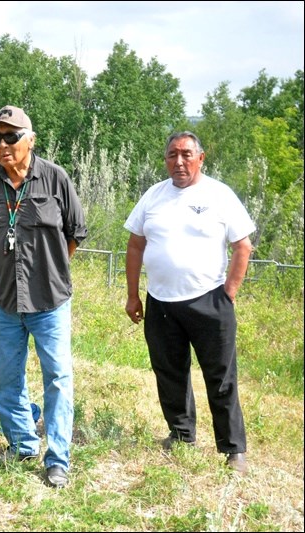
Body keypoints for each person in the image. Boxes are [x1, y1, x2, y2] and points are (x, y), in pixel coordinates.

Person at [124, 131, 254, 474]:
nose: (178, 162)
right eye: (172, 155)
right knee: (169, 372)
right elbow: (135, 245)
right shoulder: (154, 196)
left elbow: (243, 246)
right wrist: (133, 294)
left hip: (209, 301)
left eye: (186, 154)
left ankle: (233, 449)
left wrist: (229, 293)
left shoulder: (219, 195)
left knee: (221, 377)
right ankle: (181, 434)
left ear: (200, 157)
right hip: (161, 302)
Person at [0, 105, 87, 489]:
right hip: (4, 299)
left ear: (30, 140)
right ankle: (22, 444)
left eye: (11, 136)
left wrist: (49, 269)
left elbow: (74, 234)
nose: (3, 145)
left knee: (57, 378)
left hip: (50, 299)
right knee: (5, 380)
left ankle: (57, 459)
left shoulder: (55, 179)